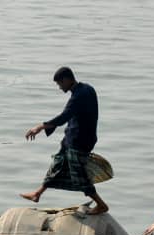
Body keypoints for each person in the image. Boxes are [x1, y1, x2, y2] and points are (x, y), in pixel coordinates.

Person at [20, 67, 108, 215]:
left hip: (80, 141)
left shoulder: (79, 95)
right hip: (72, 138)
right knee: (57, 165)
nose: (60, 87)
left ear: (67, 80)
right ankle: (37, 194)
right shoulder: (87, 89)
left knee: (80, 177)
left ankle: (101, 205)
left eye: (60, 84)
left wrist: (40, 127)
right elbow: (74, 117)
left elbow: (64, 116)